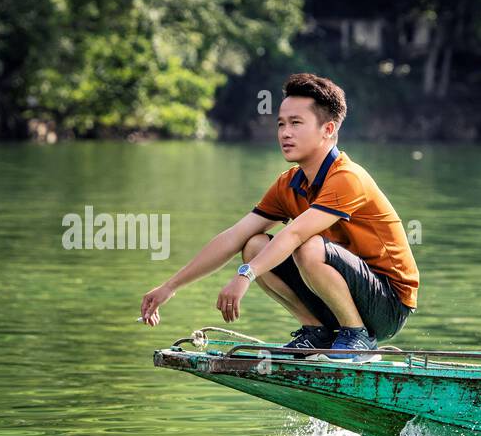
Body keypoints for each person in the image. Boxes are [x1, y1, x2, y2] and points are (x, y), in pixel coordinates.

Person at [139, 72, 419, 360]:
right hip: (337, 296)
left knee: (307, 246)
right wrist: (170, 287)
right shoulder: (289, 184)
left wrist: (245, 276)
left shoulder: (348, 178)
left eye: (296, 123)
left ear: (328, 129)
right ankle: (316, 333)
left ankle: (357, 337)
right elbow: (235, 236)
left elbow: (295, 234)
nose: (285, 133)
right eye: (281, 124)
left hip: (389, 304)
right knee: (254, 245)